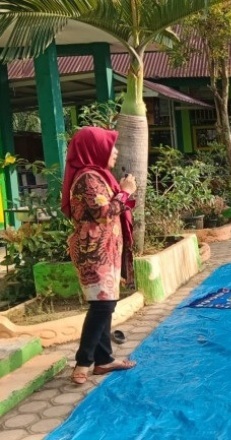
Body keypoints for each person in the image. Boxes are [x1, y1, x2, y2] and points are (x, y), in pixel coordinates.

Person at [63, 127, 138, 384]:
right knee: (102, 304)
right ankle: (84, 361)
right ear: (95, 149)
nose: (115, 152)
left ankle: (104, 360)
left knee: (105, 304)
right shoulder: (87, 179)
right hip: (93, 252)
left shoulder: (99, 176)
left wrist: (123, 192)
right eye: (110, 146)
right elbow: (104, 212)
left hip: (106, 251)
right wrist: (126, 191)